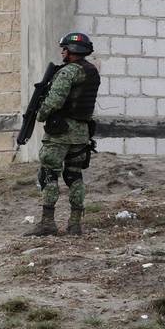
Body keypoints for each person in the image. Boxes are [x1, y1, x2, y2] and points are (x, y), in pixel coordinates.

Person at [28, 32, 99, 236]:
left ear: (73, 50)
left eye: (65, 49)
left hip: (60, 133)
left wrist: (40, 114)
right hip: (81, 133)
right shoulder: (92, 71)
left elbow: (55, 101)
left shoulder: (68, 72)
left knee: (49, 173)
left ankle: (47, 222)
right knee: (74, 175)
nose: (63, 52)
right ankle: (75, 223)